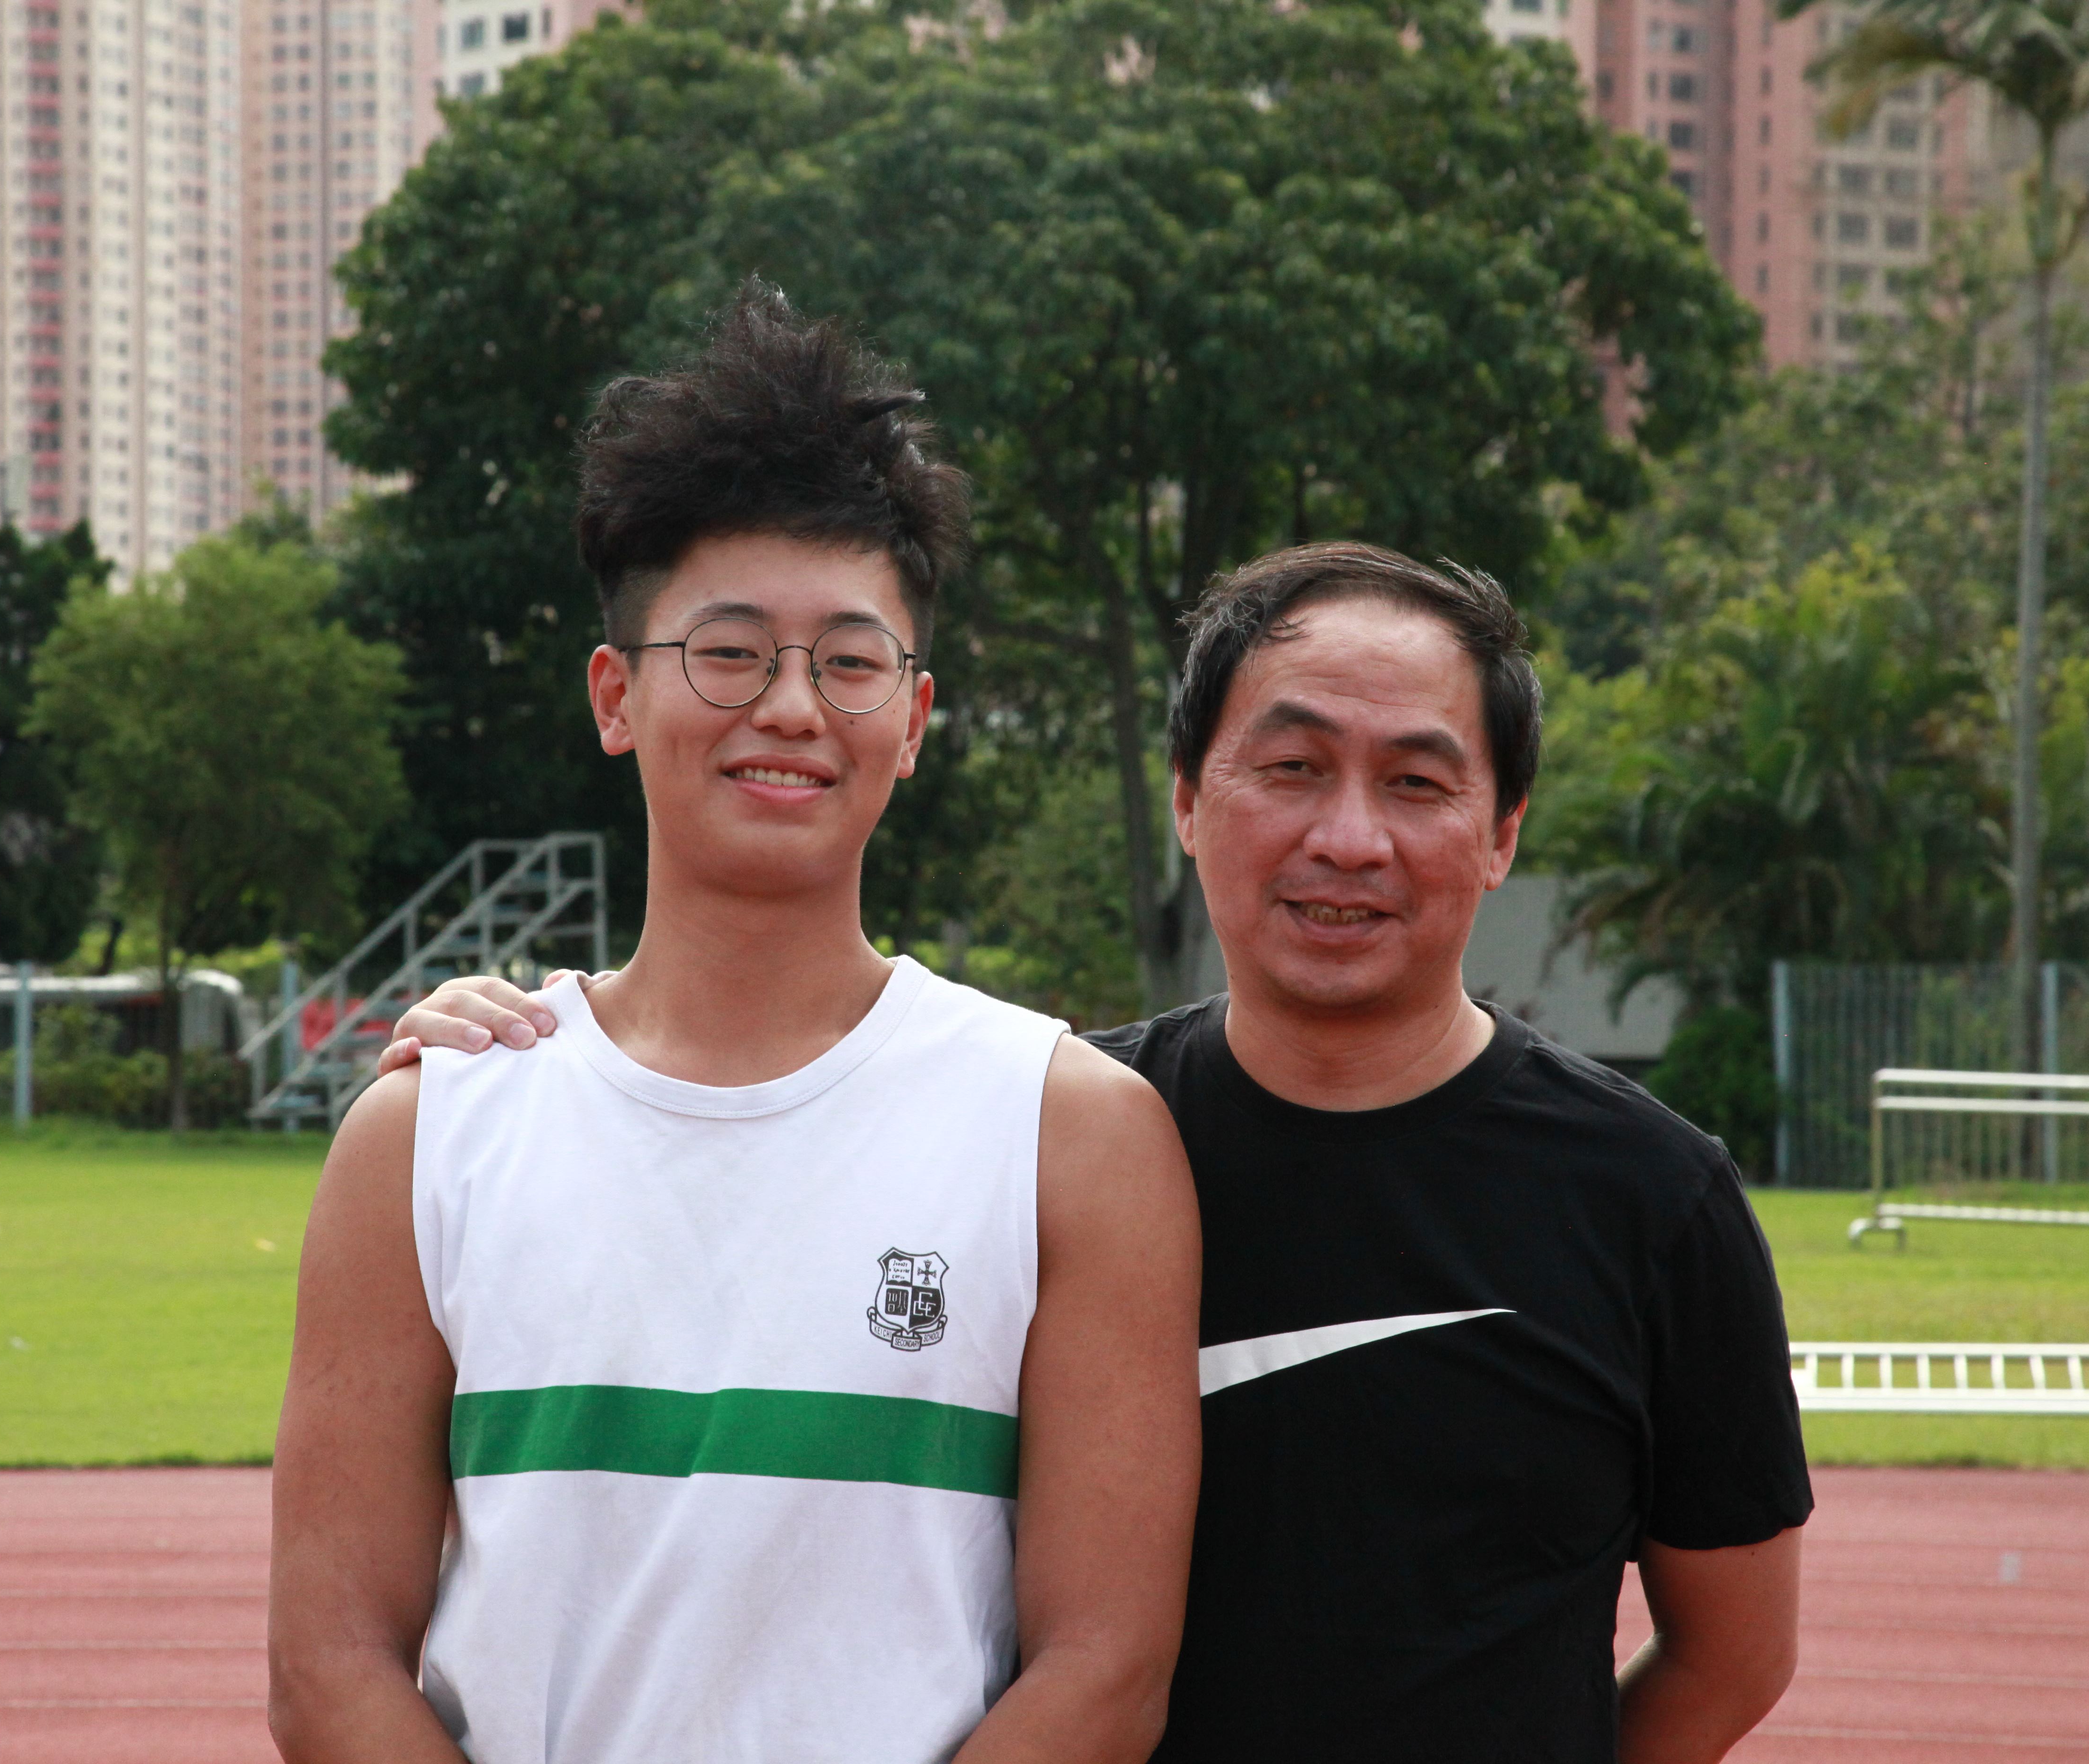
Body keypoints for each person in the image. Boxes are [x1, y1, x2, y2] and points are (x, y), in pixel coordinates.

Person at [385, 542, 1812, 1762]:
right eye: (1292, 767)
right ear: (1188, 799)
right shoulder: (1042, 1136)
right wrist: (505, 1061)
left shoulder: (1653, 1200)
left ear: (1501, 833)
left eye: (1419, 784)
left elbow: (1734, 1653)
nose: (1349, 837)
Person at [268, 286, 1203, 1764]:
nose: (791, 707)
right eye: (728, 651)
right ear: (615, 697)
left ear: (915, 718)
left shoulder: (1068, 1132)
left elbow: (1104, 1671)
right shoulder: (430, 1130)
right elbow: (329, 1669)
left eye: (850, 660)